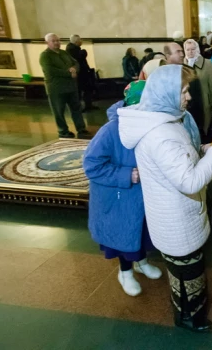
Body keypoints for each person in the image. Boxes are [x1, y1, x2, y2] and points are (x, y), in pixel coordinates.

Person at [118, 64, 212, 332]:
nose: (188, 96)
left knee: (182, 272)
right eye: (183, 91)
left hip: (173, 215)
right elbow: (188, 180)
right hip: (177, 219)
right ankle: (191, 319)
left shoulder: (163, 119)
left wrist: (202, 149)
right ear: (166, 94)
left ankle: (185, 313)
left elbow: (179, 160)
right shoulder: (161, 134)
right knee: (188, 273)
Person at [83, 81, 162, 297]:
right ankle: (125, 272)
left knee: (142, 233)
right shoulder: (110, 130)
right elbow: (91, 164)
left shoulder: (149, 125)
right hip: (118, 196)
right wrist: (125, 174)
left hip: (142, 195)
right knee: (123, 236)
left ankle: (141, 262)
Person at [39, 33, 90, 139]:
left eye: (58, 40)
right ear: (47, 42)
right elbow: (50, 71)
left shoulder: (64, 53)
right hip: (56, 88)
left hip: (71, 87)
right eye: (54, 41)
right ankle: (63, 131)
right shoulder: (45, 55)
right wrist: (69, 73)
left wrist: (75, 69)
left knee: (76, 109)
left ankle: (81, 129)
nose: (57, 42)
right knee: (59, 111)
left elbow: (75, 63)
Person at [185, 38, 212, 135]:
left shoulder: (207, 63)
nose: (190, 52)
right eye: (188, 49)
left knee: (204, 127)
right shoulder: (182, 64)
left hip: (204, 101)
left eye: (193, 49)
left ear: (197, 49)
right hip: (187, 101)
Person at [66, 34, 97, 112]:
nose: (81, 41)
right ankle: (78, 108)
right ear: (76, 41)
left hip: (83, 73)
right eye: (80, 40)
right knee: (79, 91)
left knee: (88, 89)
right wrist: (84, 51)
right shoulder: (71, 49)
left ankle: (88, 105)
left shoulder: (75, 48)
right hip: (79, 74)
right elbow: (80, 56)